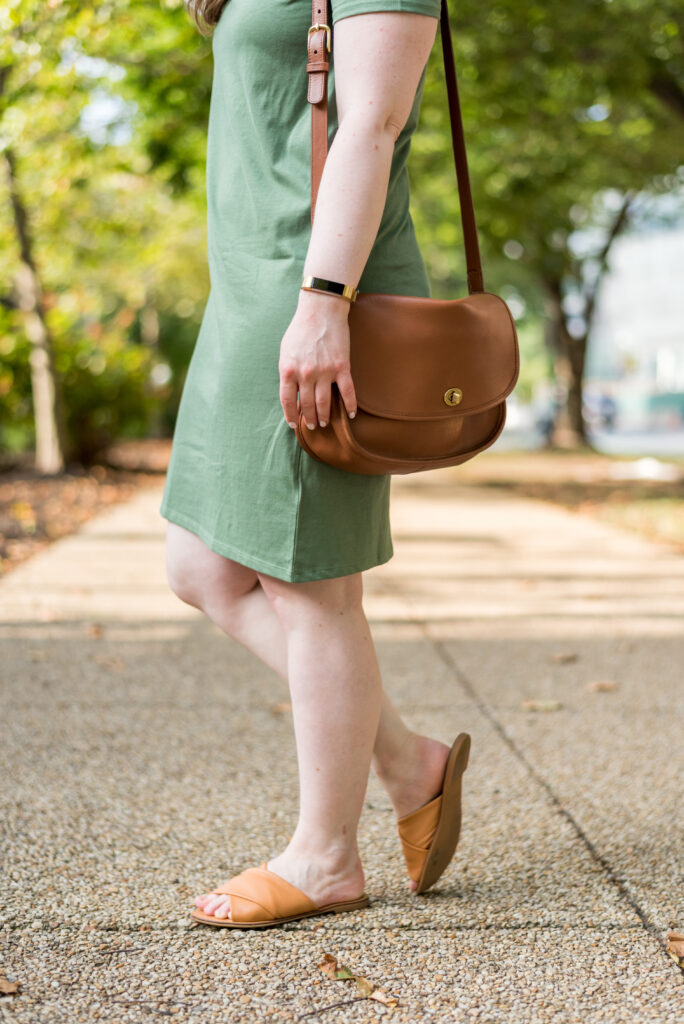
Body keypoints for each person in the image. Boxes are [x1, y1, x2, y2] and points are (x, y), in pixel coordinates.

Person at [160, 0, 471, 929]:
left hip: (318, 290)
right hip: (248, 292)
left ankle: (327, 855)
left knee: (312, 585)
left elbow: (370, 122)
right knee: (202, 569)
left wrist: (326, 301)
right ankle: (407, 761)